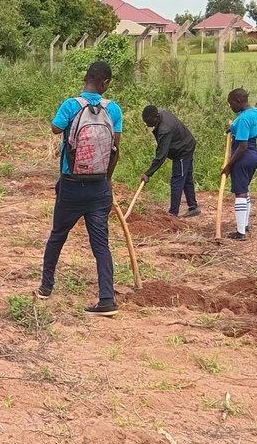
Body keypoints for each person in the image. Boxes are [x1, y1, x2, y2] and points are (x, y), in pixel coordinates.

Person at [36, 61, 123, 315]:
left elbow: (55, 128)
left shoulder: (71, 105)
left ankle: (46, 287)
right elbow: (115, 149)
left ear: (85, 79)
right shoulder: (113, 109)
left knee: (57, 235)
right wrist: (107, 182)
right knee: (101, 246)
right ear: (105, 83)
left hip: (72, 184)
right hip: (99, 186)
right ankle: (106, 298)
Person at [140, 105, 199, 217]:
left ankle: (173, 213)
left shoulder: (165, 129)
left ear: (156, 116)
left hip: (183, 151)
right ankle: (193, 206)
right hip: (187, 143)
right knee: (186, 177)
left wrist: (148, 173)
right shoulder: (160, 112)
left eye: (149, 122)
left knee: (177, 180)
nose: (147, 125)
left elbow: (161, 155)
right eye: (145, 122)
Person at [223, 88, 257, 240]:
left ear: (239, 101)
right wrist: (233, 128)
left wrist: (229, 165)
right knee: (244, 189)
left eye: (231, 103)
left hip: (243, 157)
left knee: (240, 192)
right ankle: (245, 225)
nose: (230, 106)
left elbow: (242, 146)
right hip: (255, 154)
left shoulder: (242, 119)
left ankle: (240, 233)